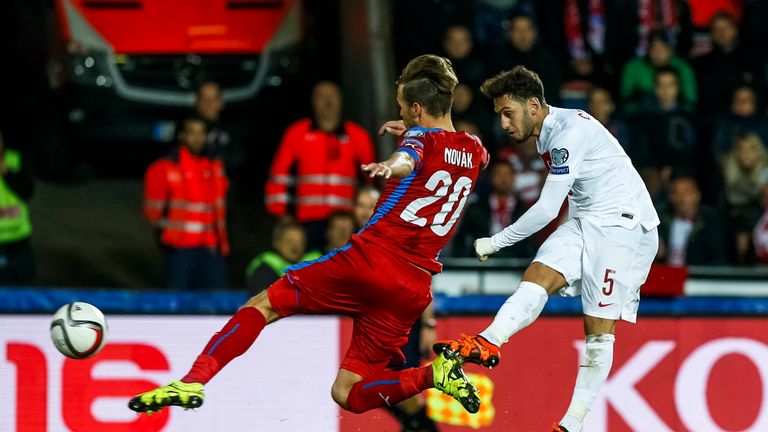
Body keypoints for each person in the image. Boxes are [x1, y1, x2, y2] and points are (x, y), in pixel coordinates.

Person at [129, 54, 489, 417]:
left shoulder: (418, 143)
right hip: (413, 286)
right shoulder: (475, 149)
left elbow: (408, 159)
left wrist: (394, 160)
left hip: (371, 261)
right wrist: (416, 127)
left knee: (263, 304)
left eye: (402, 108)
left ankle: (194, 379)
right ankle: (434, 374)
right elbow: (460, 149)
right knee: (346, 392)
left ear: (414, 108)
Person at [433, 66, 659, 432]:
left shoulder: (568, 134)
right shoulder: (547, 131)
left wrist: (496, 241)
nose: (504, 124)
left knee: (598, 330)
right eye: (500, 115)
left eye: (509, 113)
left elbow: (547, 209)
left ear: (534, 105)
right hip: (587, 219)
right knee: (538, 275)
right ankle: (489, 342)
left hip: (624, 227)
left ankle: (571, 425)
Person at [265, 81, 376, 250]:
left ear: (341, 101)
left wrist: (366, 216)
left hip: (344, 223)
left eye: (333, 96)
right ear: (313, 101)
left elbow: (371, 183)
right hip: (305, 223)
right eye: (321, 96)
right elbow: (278, 177)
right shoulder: (297, 133)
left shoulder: (358, 136)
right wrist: (282, 216)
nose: (328, 102)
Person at [144, 116, 229, 289]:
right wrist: (166, 238)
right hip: (179, 249)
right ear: (182, 136)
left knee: (212, 305)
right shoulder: (165, 167)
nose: (197, 138)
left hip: (210, 248)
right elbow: (153, 211)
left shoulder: (215, 166)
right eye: (192, 132)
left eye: (201, 133)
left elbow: (220, 208)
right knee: (177, 304)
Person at [656, 174, 728, 265]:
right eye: (676, 193)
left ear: (697, 195)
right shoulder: (660, 222)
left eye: (686, 192)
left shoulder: (710, 224)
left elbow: (718, 259)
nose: (681, 198)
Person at [0, 131, 35, 285]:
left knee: (23, 289)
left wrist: (6, 172)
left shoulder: (15, 159)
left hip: (17, 241)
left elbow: (28, 191)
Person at [244, 221, 312, 295]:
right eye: (289, 242)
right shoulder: (265, 267)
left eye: (300, 243)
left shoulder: (311, 264)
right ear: (277, 243)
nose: (295, 247)